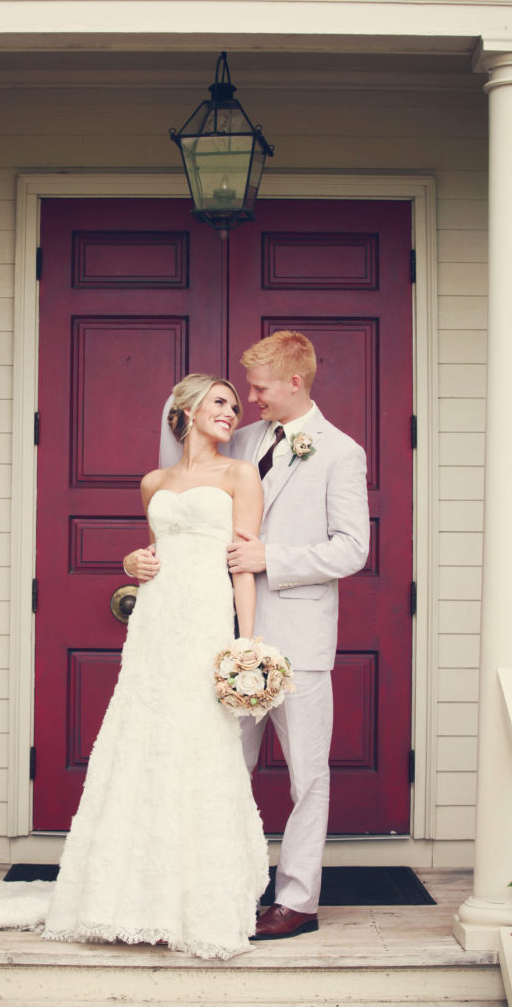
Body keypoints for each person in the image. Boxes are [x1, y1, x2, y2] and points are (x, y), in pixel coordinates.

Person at [132, 331, 370, 941]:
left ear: (294, 382)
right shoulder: (238, 442)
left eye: (258, 389)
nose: (248, 402)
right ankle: (222, 891)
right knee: (220, 767)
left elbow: (353, 549)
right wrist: (143, 562)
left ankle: (296, 900)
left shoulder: (341, 453)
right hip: (220, 637)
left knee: (306, 777)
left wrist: (273, 558)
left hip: (298, 643)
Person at [43, 374, 269, 960]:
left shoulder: (240, 475)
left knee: (198, 744)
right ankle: (131, 897)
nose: (232, 412)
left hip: (204, 621)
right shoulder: (154, 482)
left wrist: (247, 642)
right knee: (141, 740)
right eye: (220, 402)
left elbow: (242, 562)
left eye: (236, 406)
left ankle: (198, 902)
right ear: (187, 410)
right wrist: (132, 562)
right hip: (155, 625)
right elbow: (155, 551)